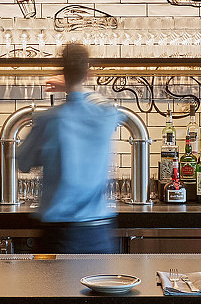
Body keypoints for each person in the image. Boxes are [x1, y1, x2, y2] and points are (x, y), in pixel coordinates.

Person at [17, 43, 123, 253]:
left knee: (52, 287)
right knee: (97, 286)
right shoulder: (106, 115)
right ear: (88, 73)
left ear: (62, 72)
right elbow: (103, 104)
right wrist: (75, 87)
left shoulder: (48, 120)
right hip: (98, 234)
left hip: (58, 236)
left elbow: (23, 162)